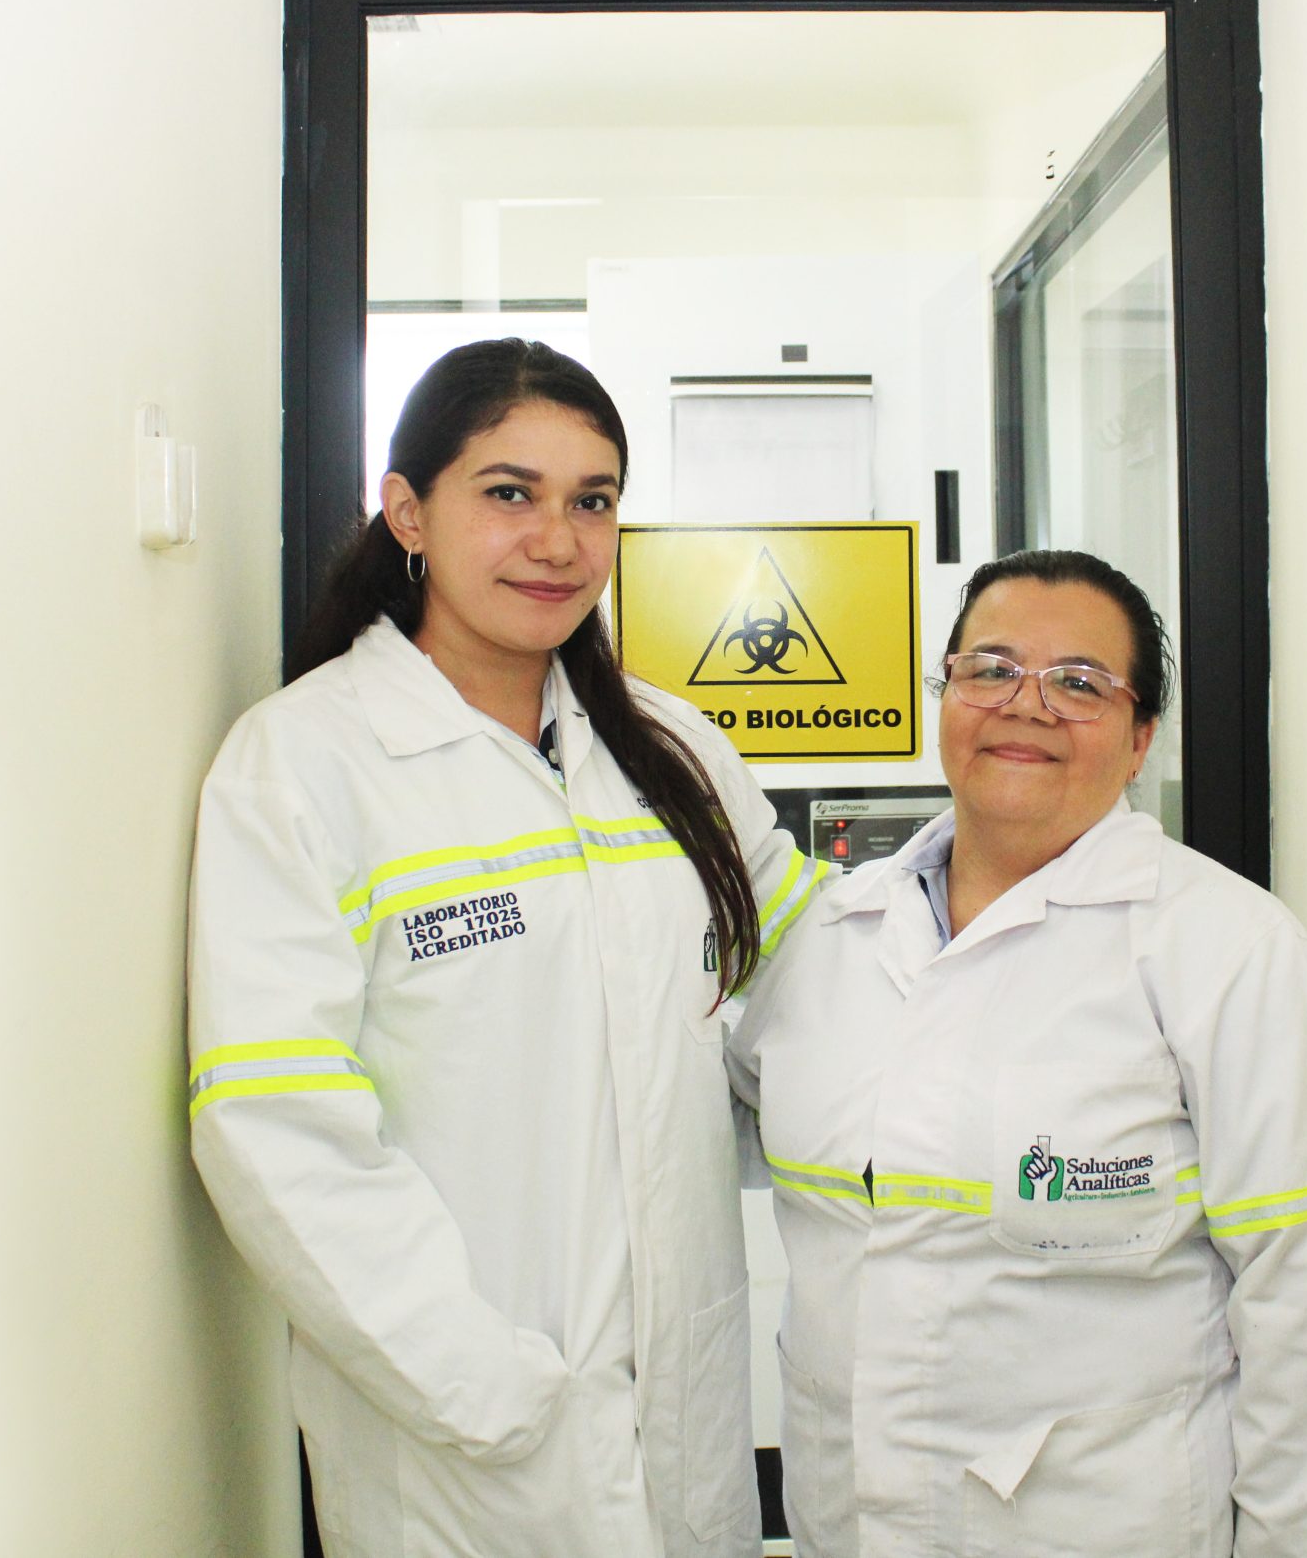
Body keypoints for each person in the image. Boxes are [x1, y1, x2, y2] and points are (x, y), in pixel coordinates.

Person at [187, 339, 828, 1558]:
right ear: (407, 511)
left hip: (686, 1419)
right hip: (470, 1442)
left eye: (592, 501)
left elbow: (815, 986)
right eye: (509, 493)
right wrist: (488, 1391)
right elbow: (275, 1127)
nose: (557, 541)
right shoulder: (307, 764)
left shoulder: (670, 751)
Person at [726, 549, 1307, 1558]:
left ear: (1141, 738)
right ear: (944, 696)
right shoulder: (828, 938)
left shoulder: (1225, 949)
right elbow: (724, 1126)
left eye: (1079, 683)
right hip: (849, 1525)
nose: (1024, 705)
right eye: (990, 669)